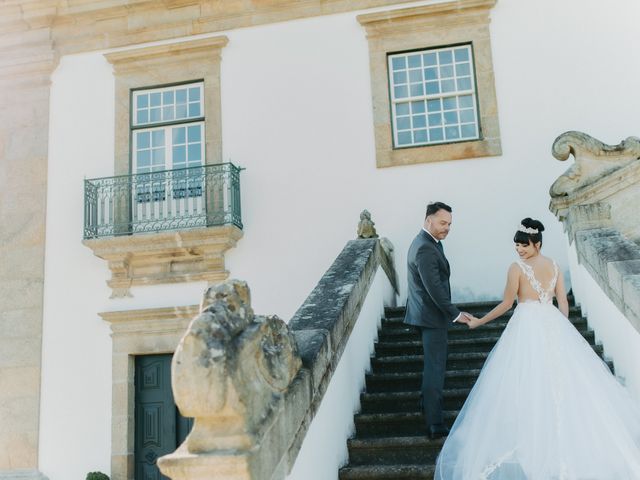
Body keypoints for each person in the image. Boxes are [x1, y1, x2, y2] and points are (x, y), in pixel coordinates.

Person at [435, 218, 640, 479]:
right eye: (517, 246)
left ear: (537, 244)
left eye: (524, 246)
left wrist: (479, 321)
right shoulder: (554, 265)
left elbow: (507, 303)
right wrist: (562, 327)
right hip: (552, 322)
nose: (519, 250)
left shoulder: (516, 269)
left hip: (529, 325)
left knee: (530, 383)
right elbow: (562, 302)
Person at [404, 202, 471, 440]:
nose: (447, 228)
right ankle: (435, 423)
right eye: (443, 223)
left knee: (433, 366)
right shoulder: (425, 248)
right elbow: (433, 288)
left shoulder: (428, 243)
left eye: (450, 224)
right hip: (431, 318)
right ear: (428, 220)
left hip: (426, 315)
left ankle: (428, 407)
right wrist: (455, 313)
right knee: (435, 369)